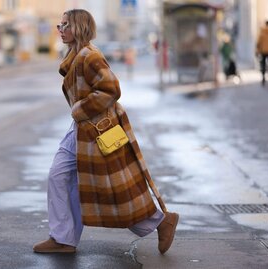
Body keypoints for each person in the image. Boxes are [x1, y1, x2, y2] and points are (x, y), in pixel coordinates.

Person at [32, 9, 179, 254]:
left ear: (78, 27)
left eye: (65, 25)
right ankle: (63, 238)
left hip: (97, 129)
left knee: (112, 189)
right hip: (85, 129)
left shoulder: (89, 56)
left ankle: (161, 222)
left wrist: (81, 109)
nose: (60, 29)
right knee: (68, 179)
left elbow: (111, 88)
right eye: (59, 25)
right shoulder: (76, 55)